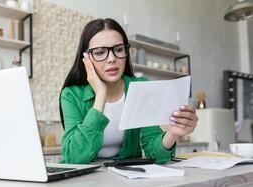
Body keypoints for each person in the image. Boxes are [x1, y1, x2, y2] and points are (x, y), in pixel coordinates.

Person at [59, 18, 198, 164]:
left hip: (127, 179)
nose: (112, 59)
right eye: (100, 52)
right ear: (86, 58)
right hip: (87, 182)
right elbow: (73, 157)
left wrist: (173, 133)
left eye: (119, 49)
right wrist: (101, 95)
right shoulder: (71, 95)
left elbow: (154, 154)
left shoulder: (141, 87)